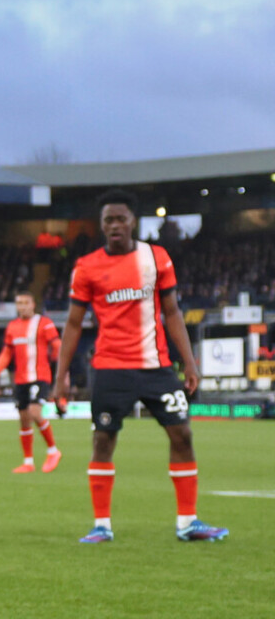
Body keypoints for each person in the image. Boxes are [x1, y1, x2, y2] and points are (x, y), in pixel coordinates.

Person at [55, 190, 224, 543]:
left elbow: (173, 312)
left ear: (133, 221)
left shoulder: (156, 257)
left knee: (183, 435)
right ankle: (102, 525)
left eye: (121, 218)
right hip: (111, 367)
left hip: (157, 367)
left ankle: (188, 522)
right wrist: (61, 377)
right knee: (103, 440)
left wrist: (189, 362)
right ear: (101, 226)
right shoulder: (87, 267)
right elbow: (73, 325)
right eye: (108, 220)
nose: (114, 225)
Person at [0, 292, 62, 473]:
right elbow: (6, 354)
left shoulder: (44, 323)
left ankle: (53, 451)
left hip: (40, 376)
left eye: (26, 302)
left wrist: (62, 369)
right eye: (19, 303)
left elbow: (58, 345)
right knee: (24, 420)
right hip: (21, 379)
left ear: (33, 304)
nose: (22, 306)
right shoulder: (12, 327)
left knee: (35, 412)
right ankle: (28, 462)